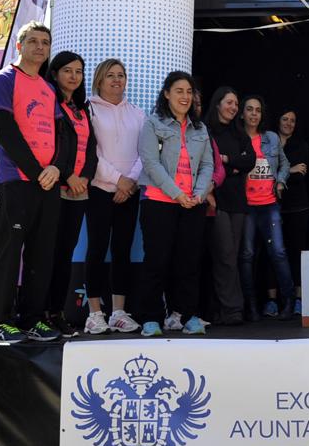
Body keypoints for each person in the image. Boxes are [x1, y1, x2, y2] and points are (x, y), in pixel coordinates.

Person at [0, 22, 63, 344]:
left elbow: (61, 136)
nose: (40, 47)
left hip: (47, 182)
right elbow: (4, 128)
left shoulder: (48, 88)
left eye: (45, 42)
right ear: (20, 46)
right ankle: (0, 323)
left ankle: (32, 319)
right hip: (17, 179)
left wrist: (55, 168)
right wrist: (35, 170)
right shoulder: (2, 80)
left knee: (41, 255)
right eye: (33, 41)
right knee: (8, 251)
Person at [133, 71, 215, 337]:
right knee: (157, 261)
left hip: (192, 203)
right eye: (179, 91)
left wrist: (199, 193)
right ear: (166, 93)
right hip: (159, 202)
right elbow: (150, 163)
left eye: (189, 92)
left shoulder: (200, 128)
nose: (185, 97)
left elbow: (207, 165)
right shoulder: (153, 124)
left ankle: (187, 315)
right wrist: (177, 193)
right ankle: (151, 318)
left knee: (188, 262)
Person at [83, 58, 144, 334]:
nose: (117, 80)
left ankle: (119, 311)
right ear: (99, 80)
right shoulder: (89, 110)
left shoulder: (138, 113)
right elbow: (90, 153)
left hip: (129, 193)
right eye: (110, 75)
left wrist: (129, 182)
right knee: (96, 249)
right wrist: (118, 180)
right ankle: (95, 313)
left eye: (121, 75)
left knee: (122, 250)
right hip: (99, 190)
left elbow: (146, 152)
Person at [44, 51, 97, 339]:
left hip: (79, 192)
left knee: (64, 254)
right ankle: (39, 313)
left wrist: (85, 178)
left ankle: (57, 312)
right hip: (54, 189)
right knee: (47, 254)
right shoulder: (49, 104)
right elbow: (52, 146)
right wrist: (68, 176)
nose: (74, 76)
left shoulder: (81, 109)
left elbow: (91, 150)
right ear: (54, 73)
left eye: (78, 71)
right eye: (68, 70)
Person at [239, 94, 297, 321]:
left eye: (258, 110)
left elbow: (285, 163)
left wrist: (281, 181)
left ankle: (289, 302)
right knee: (247, 255)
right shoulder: (237, 137)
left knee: (279, 253)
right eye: (250, 109)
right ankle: (251, 306)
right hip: (246, 206)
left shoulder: (271, 138)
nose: (254, 114)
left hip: (270, 204)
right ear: (242, 113)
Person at [202, 87, 254, 325]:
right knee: (224, 255)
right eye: (229, 103)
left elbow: (250, 160)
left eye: (236, 104)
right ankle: (231, 309)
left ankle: (227, 310)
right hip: (216, 199)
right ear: (218, 104)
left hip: (238, 202)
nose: (234, 108)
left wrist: (228, 161)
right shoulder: (206, 130)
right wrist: (232, 166)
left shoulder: (239, 133)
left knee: (231, 256)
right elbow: (209, 164)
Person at [278, 107, 309, 314]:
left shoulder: (301, 145)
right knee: (273, 255)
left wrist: (282, 174)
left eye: (293, 120)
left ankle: (298, 298)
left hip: (298, 207)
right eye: (285, 119)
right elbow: (264, 170)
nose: (289, 123)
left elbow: (302, 174)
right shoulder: (270, 142)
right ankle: (275, 301)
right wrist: (289, 169)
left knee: (296, 253)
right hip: (273, 205)